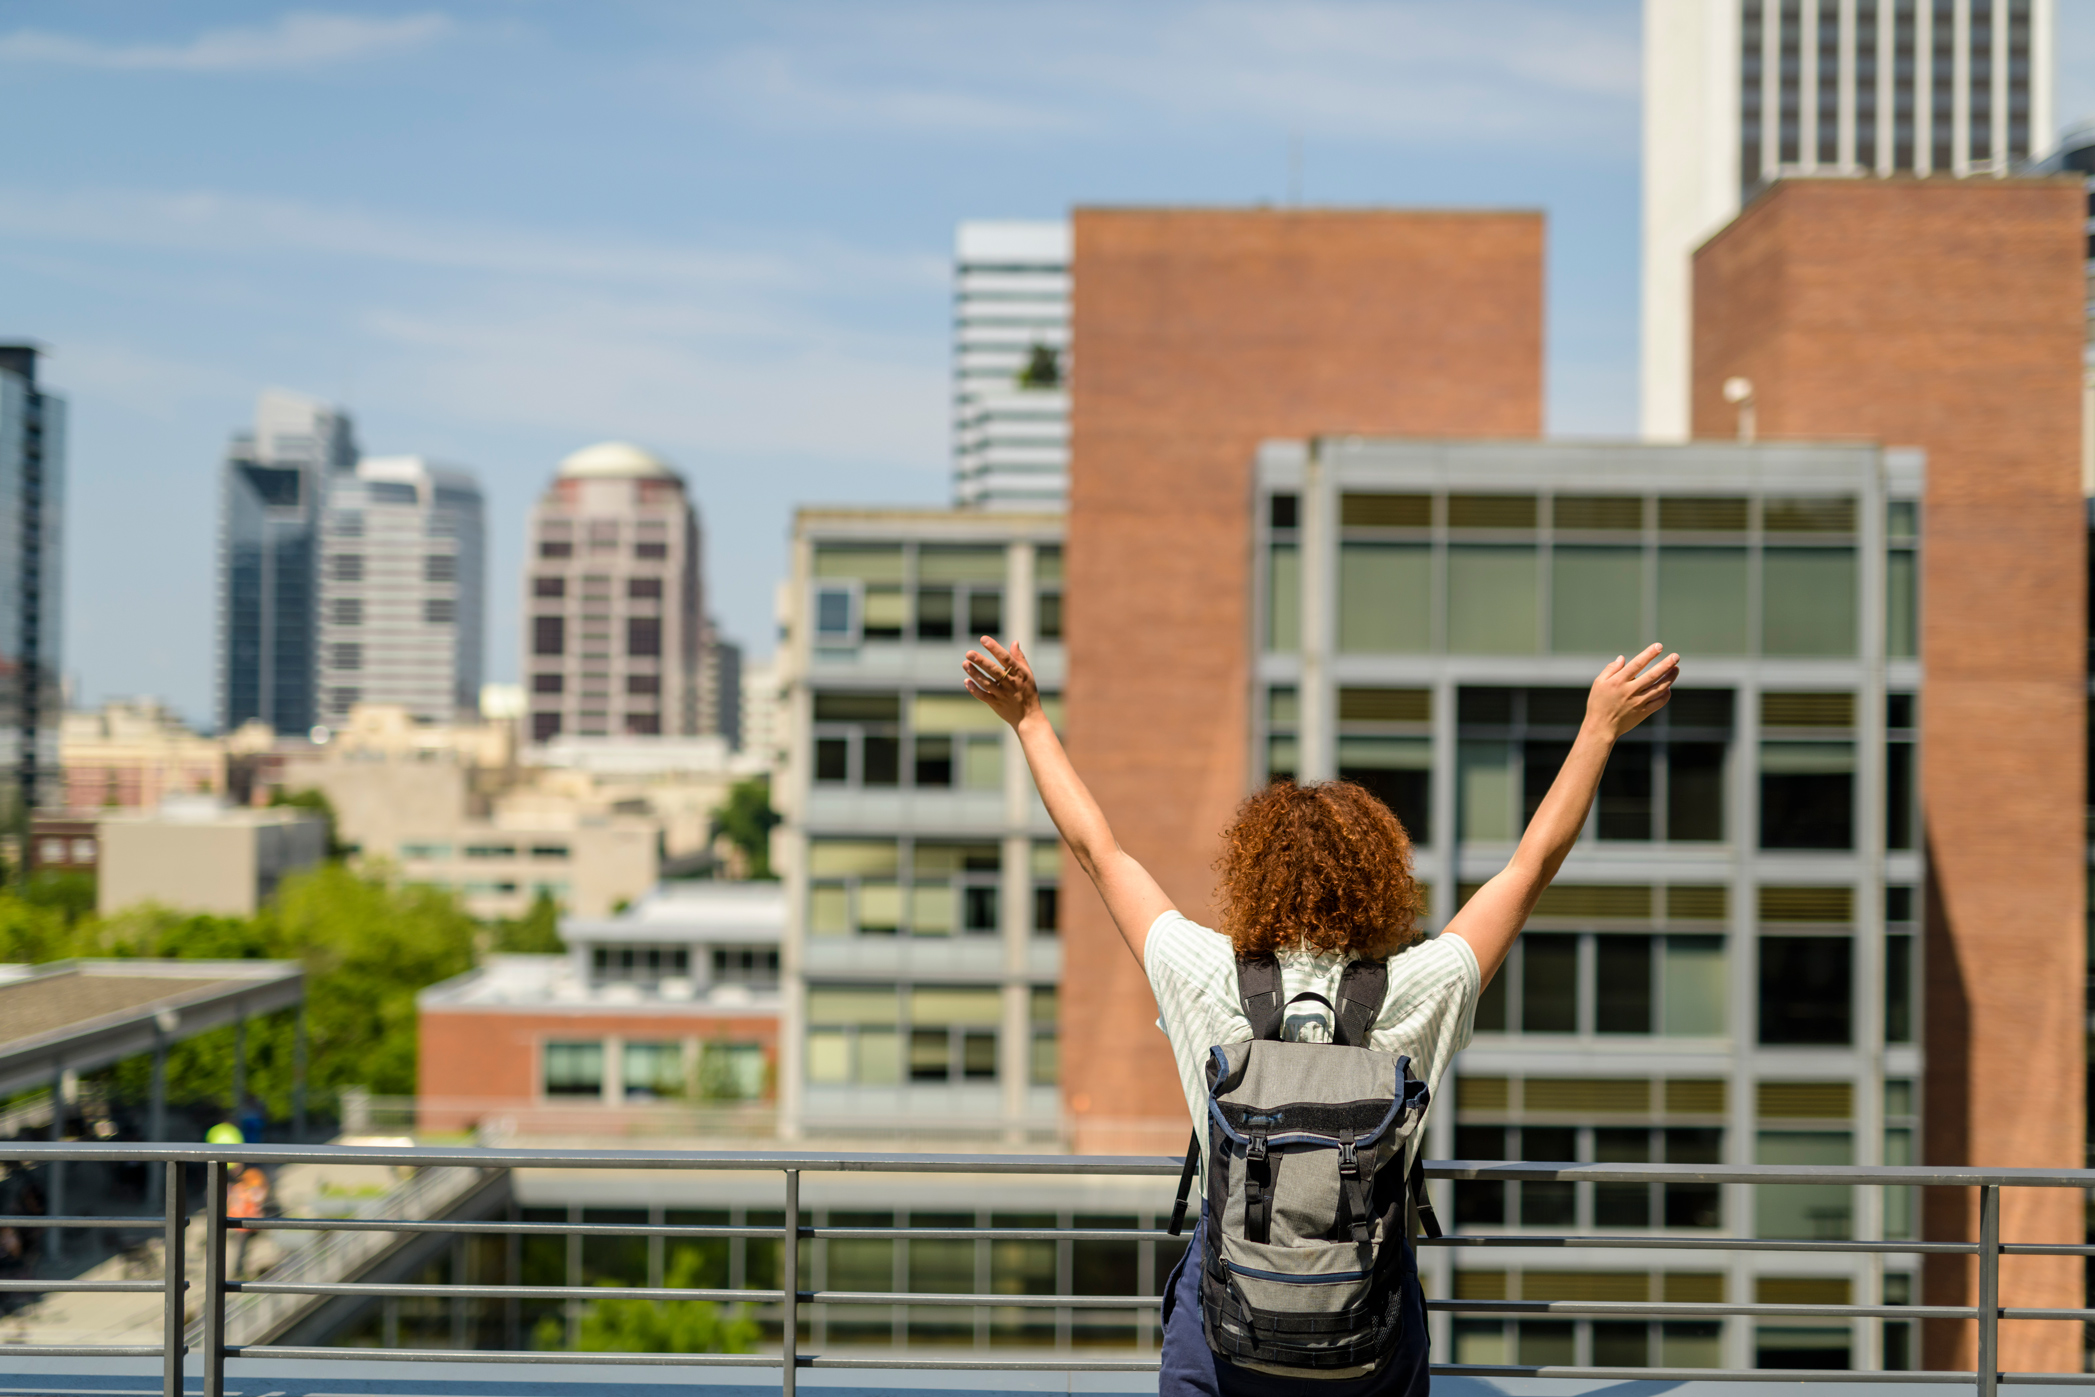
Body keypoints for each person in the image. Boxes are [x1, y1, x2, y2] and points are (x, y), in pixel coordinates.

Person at [963, 636, 1680, 1397]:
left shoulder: (1204, 973)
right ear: (1381, 879)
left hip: (1223, 1337)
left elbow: (1097, 851)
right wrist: (1598, 728)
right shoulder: (1419, 986)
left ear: (1249, 874)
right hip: (1366, 1339)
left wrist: (1030, 719)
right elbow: (1530, 865)